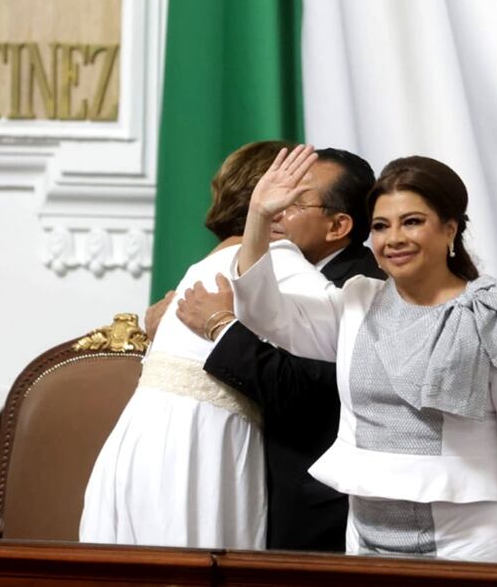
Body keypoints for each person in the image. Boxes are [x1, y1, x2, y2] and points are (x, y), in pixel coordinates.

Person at [229, 147, 497, 563]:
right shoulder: (356, 301)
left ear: (449, 229)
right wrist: (259, 216)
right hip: (366, 545)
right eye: (381, 226)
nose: (394, 239)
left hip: (474, 550)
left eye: (412, 222)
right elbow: (262, 313)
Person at [79, 141, 328, 548]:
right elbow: (350, 337)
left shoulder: (202, 264)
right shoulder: (278, 260)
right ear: (278, 202)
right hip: (198, 449)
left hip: (138, 440)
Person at [173, 147, 385, 551]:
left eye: (294, 202)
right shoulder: (287, 269)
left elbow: (306, 389)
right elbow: (262, 302)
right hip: (265, 484)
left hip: (321, 506)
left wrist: (221, 327)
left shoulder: (361, 284)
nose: (278, 212)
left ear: (338, 225)